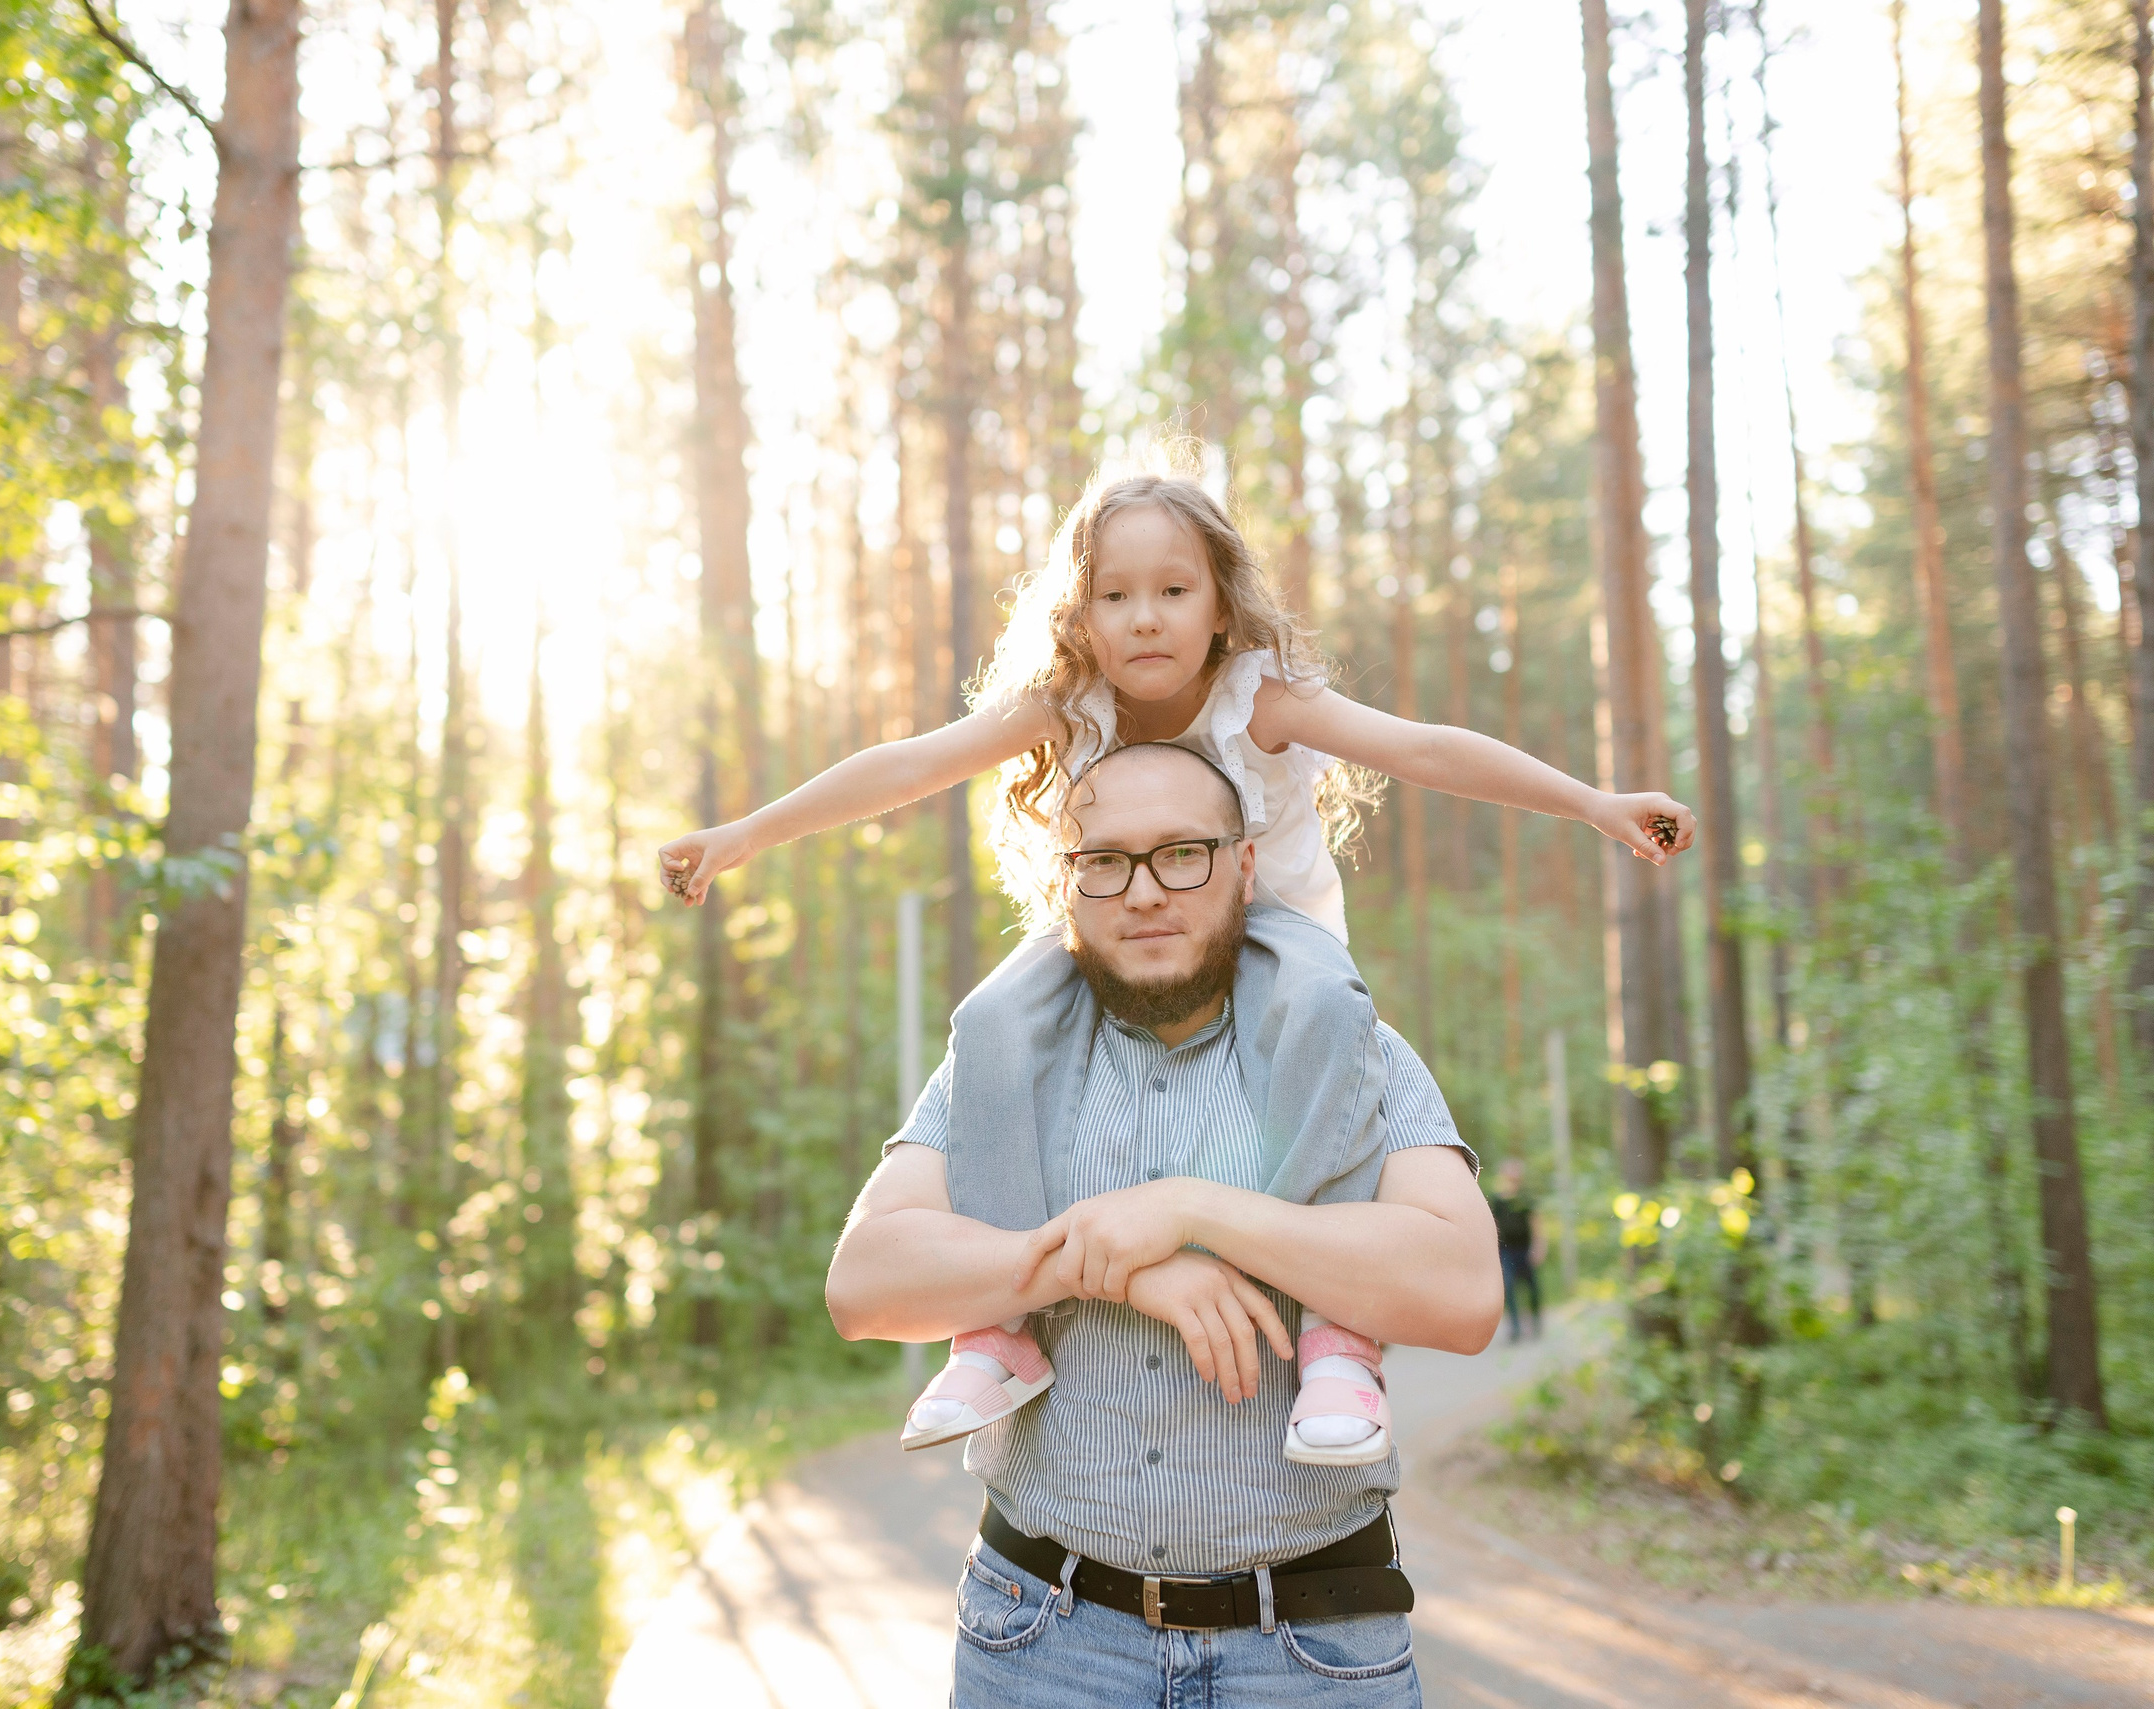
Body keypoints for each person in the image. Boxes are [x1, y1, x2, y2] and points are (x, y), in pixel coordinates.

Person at [662, 454, 1693, 1456]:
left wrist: (1592, 803)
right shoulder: (1066, 704)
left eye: (1172, 589)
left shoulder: (1261, 697)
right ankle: (995, 1333)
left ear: (1220, 603)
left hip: (1274, 933)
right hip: (1116, 924)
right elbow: (911, 764)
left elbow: (1422, 746)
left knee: (1330, 1022)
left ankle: (1339, 1341)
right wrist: (745, 834)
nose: (1144, 616)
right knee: (991, 1019)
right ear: (1080, 614)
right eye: (1114, 594)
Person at [825, 740, 1498, 1705]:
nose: (1143, 892)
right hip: (1039, 1639)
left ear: (1245, 865)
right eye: (1105, 861)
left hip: (1312, 1653)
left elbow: (1465, 1291)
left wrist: (1193, 1210)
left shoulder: (1353, 1046)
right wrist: (1108, 1263)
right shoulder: (1000, 1063)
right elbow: (864, 1282)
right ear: (1069, 883)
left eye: (1182, 853)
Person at [1486, 1156, 1545, 1344]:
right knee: (1509, 1288)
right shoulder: (1497, 1199)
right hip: (1506, 1250)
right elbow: (1492, 1224)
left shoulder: (1526, 1198)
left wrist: (1538, 1246)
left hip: (1525, 1249)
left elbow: (1536, 1224)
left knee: (1532, 1288)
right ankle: (1515, 1327)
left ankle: (1536, 1321)